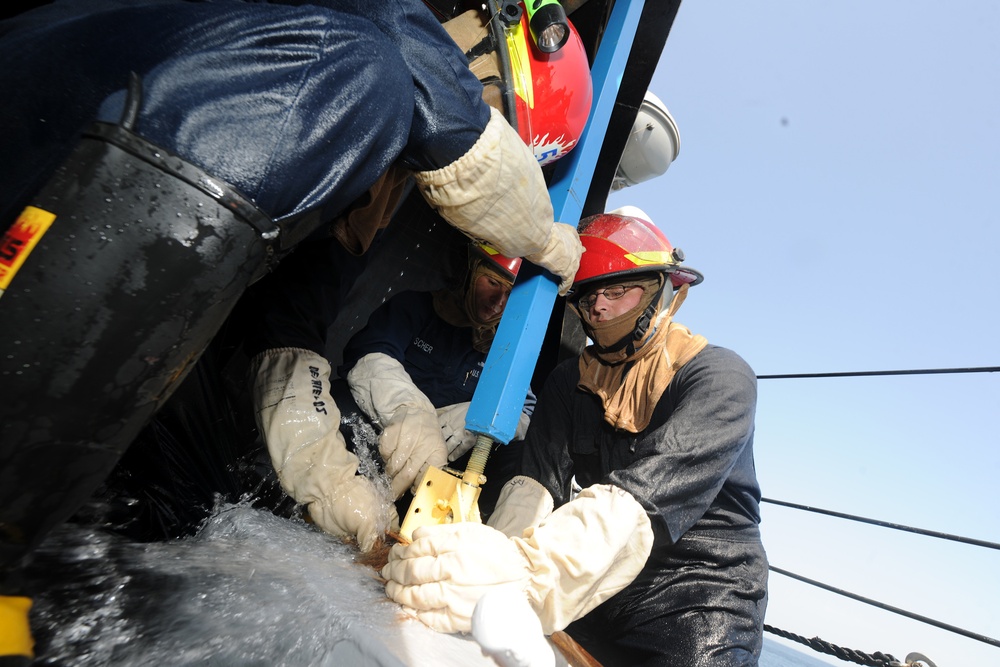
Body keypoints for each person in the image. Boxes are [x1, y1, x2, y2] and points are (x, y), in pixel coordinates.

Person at [0, 0, 589, 569]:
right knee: (367, 75)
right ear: (483, 45)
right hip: (45, 141)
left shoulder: (355, 181)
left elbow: (289, 340)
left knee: (186, 508)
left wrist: (340, 492)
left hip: (86, 286)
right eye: (492, 119)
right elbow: (422, 83)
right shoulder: (350, 63)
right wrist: (537, 235)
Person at [381, 210, 769, 666]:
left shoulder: (719, 378)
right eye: (588, 298)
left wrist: (523, 574)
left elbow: (640, 503)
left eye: (618, 291)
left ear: (662, 290)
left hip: (698, 591)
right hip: (597, 574)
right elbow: (535, 488)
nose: (599, 308)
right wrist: (492, 561)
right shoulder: (569, 382)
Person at [336, 243, 534, 525]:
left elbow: (525, 411)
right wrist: (411, 412)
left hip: (442, 463)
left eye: (509, 293)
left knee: (518, 454)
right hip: (384, 437)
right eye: (492, 282)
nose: (498, 301)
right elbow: (369, 356)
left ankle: (474, 539)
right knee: (339, 407)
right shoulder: (415, 308)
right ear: (469, 273)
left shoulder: (503, 349)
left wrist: (480, 418)